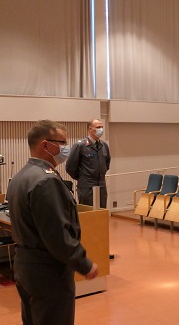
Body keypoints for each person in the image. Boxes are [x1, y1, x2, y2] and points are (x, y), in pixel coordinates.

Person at [7, 120, 98, 325]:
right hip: (48, 272)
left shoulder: (21, 176)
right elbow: (57, 234)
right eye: (62, 142)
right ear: (46, 145)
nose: (66, 147)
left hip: (25, 266)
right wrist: (83, 263)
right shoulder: (46, 180)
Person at [66, 119, 111, 208]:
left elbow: (107, 163)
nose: (101, 129)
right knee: (88, 215)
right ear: (90, 129)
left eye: (102, 127)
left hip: (101, 185)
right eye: (98, 127)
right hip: (87, 187)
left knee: (101, 214)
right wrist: (83, 178)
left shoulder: (104, 145)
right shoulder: (80, 145)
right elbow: (70, 167)